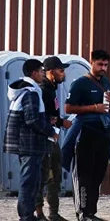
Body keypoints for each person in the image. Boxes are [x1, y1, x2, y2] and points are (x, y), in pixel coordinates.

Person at [64, 49, 110, 221]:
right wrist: (94, 108)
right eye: (100, 64)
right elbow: (68, 108)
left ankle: (91, 212)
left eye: (106, 65)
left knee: (98, 175)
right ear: (91, 62)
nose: (103, 68)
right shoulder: (80, 83)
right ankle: (82, 213)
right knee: (83, 176)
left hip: (102, 133)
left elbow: (109, 109)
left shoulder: (106, 82)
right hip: (85, 133)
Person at [3, 58, 57, 221]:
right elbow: (32, 119)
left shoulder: (26, 90)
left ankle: (28, 213)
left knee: (32, 179)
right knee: (29, 180)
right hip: (29, 143)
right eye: (41, 71)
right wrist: (50, 130)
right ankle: (26, 215)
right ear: (34, 73)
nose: (42, 74)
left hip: (26, 142)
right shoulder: (31, 92)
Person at [36, 56, 71, 221]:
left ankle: (54, 213)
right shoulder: (43, 90)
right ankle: (39, 213)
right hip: (43, 140)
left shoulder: (52, 89)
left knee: (55, 175)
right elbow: (42, 117)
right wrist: (61, 122)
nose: (63, 74)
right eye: (61, 71)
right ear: (51, 72)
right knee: (43, 176)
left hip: (53, 138)